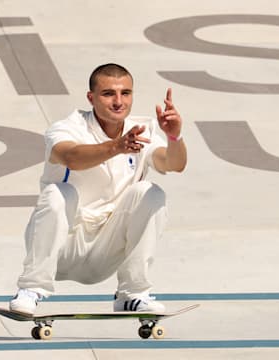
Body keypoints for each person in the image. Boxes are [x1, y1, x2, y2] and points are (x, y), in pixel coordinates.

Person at [10, 63, 187, 315]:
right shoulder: (68, 127)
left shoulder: (140, 133)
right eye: (108, 94)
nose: (118, 101)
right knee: (58, 193)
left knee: (151, 192)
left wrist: (174, 138)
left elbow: (173, 164)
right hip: (62, 247)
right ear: (91, 98)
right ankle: (31, 289)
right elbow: (70, 157)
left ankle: (132, 294)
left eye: (125, 93)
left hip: (105, 252)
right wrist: (116, 147)